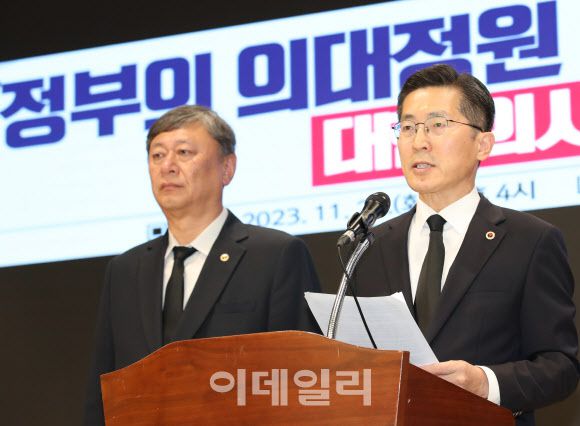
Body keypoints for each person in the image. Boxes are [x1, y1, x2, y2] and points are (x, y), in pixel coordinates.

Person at [354, 64, 578, 425]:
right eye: (408, 127)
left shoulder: (530, 240)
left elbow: (560, 365)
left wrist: (486, 383)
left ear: (482, 144)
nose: (419, 141)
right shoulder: (371, 245)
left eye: (438, 125)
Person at [84, 105, 321, 425]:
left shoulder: (275, 255)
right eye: (157, 155)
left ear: (227, 168)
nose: (167, 166)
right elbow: (102, 393)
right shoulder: (125, 271)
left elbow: (301, 381)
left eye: (183, 152)